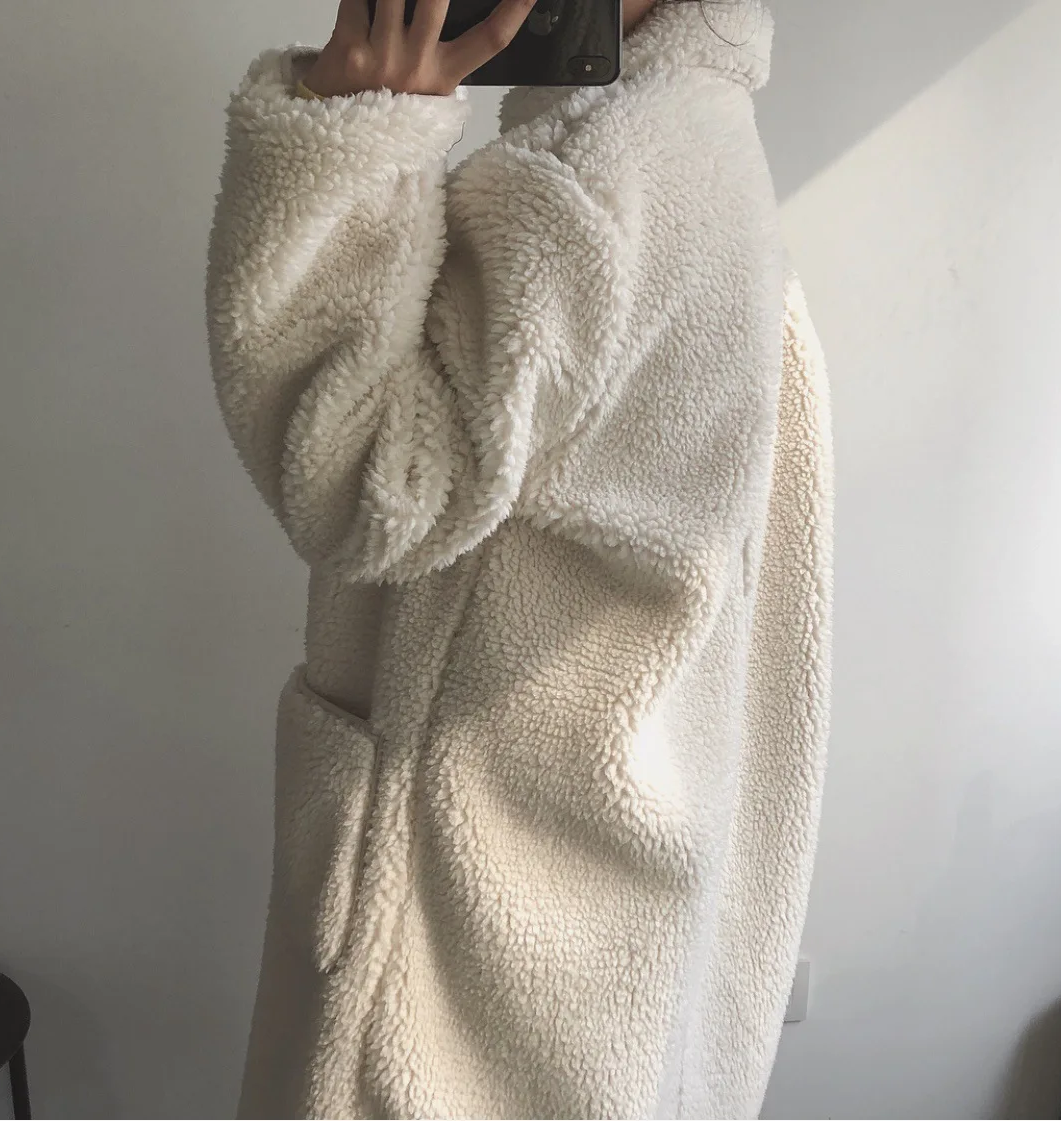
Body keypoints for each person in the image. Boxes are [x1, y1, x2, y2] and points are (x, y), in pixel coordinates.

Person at [205, 0, 833, 1115]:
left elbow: (366, 486)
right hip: (579, 907)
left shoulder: (600, 178)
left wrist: (351, 135)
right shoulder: (686, 147)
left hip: (468, 956)